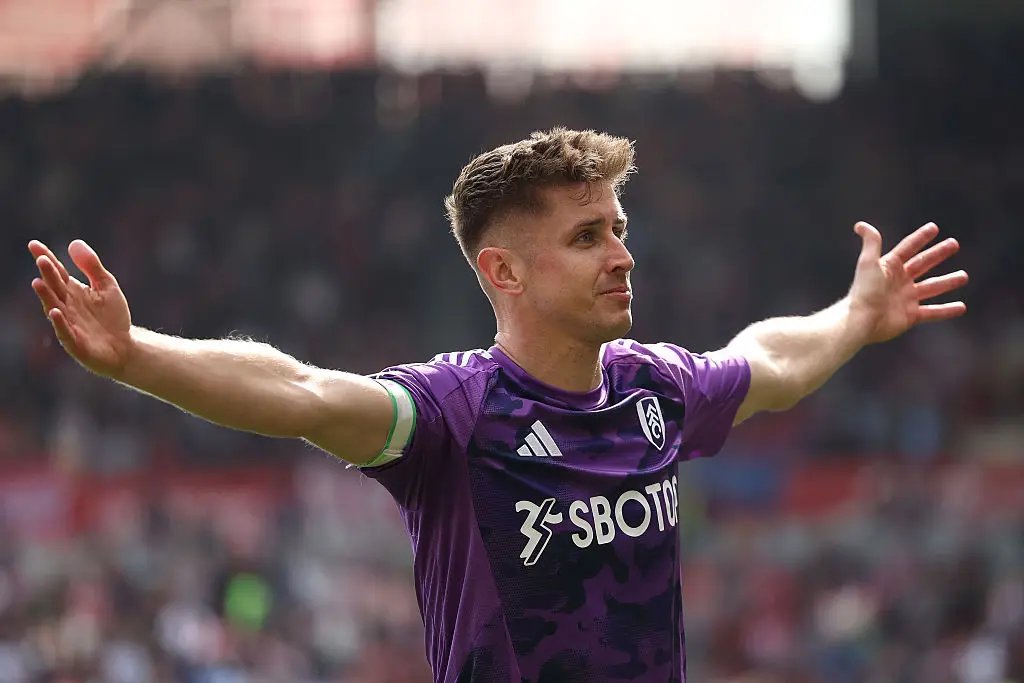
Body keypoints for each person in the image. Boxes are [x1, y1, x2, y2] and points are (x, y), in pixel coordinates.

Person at [29, 128, 968, 683]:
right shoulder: (456, 413)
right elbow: (303, 391)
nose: (622, 255)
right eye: (588, 236)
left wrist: (854, 316)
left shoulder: (655, 387)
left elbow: (767, 361)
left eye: (620, 229)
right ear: (504, 271)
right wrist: (136, 353)